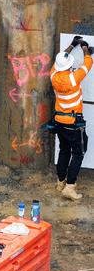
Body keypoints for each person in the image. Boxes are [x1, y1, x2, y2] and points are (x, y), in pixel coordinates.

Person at [51, 36, 93, 200]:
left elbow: (60, 59)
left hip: (60, 122)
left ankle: (60, 181)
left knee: (64, 150)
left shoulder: (53, 75)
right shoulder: (73, 78)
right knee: (78, 152)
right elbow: (87, 65)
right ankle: (70, 186)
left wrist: (71, 46)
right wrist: (85, 50)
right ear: (69, 67)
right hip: (73, 123)